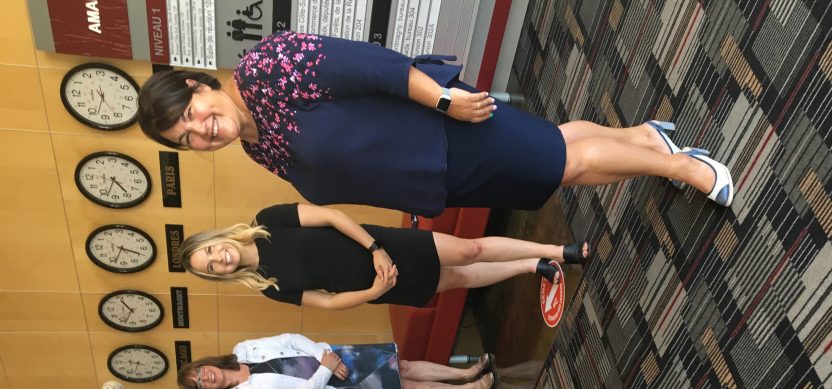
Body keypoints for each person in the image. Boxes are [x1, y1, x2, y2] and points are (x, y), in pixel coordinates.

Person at [138, 31, 733, 217]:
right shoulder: (257, 149)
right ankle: (645, 139)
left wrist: (445, 101)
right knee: (556, 155)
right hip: (434, 178)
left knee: (563, 164)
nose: (201, 131)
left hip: (441, 128)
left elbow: (368, 67)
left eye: (192, 115)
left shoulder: (265, 70)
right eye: (186, 139)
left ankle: (684, 167)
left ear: (198, 85)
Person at [181, 203, 588, 310]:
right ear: (218, 275)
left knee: (470, 250)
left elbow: (332, 217)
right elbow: (327, 302)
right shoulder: (268, 287)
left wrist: (375, 249)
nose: (220, 258)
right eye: (212, 267)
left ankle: (555, 251)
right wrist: (374, 292)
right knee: (460, 280)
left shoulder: (267, 221)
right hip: (382, 285)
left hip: (382, 246)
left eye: (211, 250)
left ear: (215, 238)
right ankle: (530, 266)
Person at [177, 333, 500, 389]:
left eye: (200, 372)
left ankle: (467, 372)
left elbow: (288, 339)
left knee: (404, 366)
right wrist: (325, 370)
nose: (206, 378)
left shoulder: (242, 349)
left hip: (332, 356)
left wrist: (324, 356)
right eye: (200, 384)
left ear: (205, 364)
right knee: (408, 388)